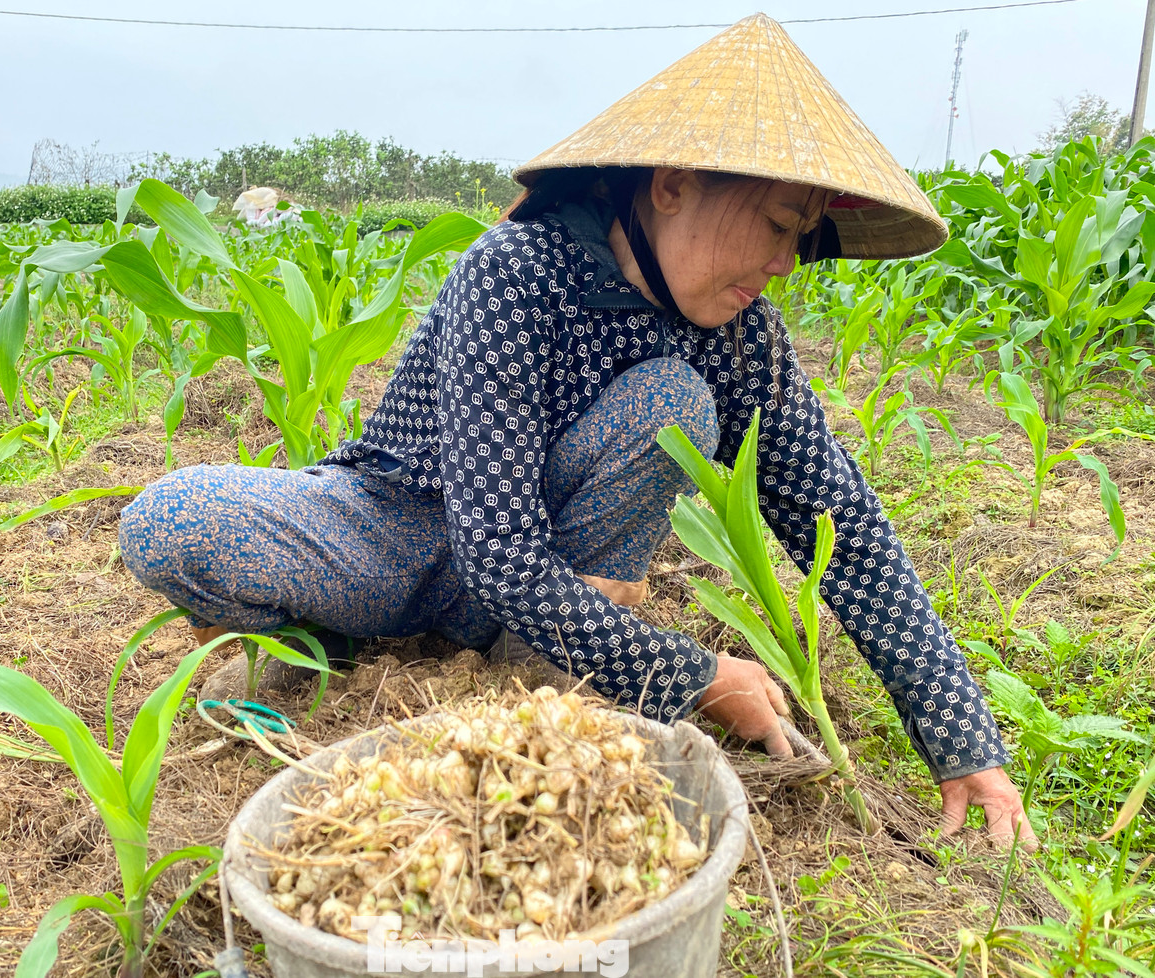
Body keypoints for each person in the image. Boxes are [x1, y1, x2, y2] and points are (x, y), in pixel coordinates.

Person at [119, 13, 1036, 848]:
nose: (783, 264)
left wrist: (960, 738)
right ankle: (340, 642)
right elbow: (496, 550)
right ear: (673, 185)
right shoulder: (516, 274)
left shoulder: (741, 339)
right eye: (775, 226)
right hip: (402, 530)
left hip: (551, 588)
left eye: (801, 239)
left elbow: (845, 527)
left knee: (671, 403)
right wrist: (694, 675)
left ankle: (533, 661)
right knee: (174, 518)